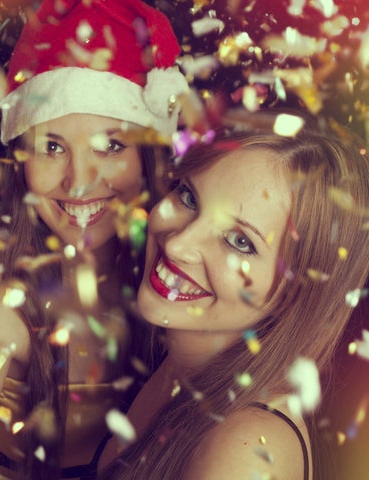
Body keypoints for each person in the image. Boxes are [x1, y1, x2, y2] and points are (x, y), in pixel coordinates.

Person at [0, 0, 188, 478]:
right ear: (19, 162)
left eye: (112, 146)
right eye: (52, 147)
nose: (80, 182)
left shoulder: (180, 293)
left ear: (151, 156)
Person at [95, 112, 369, 479]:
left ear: (297, 294)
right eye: (189, 196)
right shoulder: (181, 358)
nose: (178, 244)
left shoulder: (246, 452)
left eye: (240, 241)